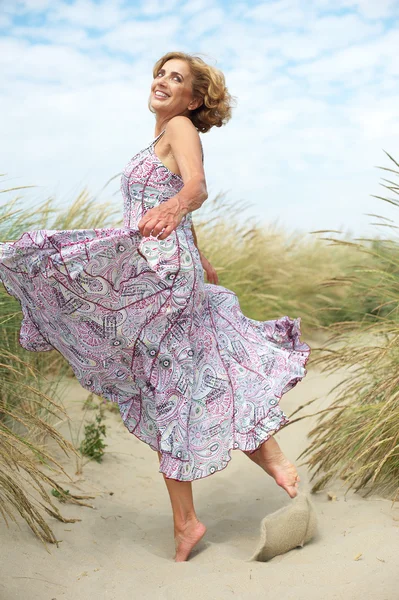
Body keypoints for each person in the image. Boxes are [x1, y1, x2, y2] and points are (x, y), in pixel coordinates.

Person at [0, 51, 311, 562]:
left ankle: (190, 520)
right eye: (161, 75)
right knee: (196, 374)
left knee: (171, 387)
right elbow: (173, 199)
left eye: (178, 79)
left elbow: (195, 188)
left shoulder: (182, 129)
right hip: (165, 267)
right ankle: (266, 463)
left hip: (160, 279)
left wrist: (172, 209)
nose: (164, 82)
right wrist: (201, 253)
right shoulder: (160, 138)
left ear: (193, 98)